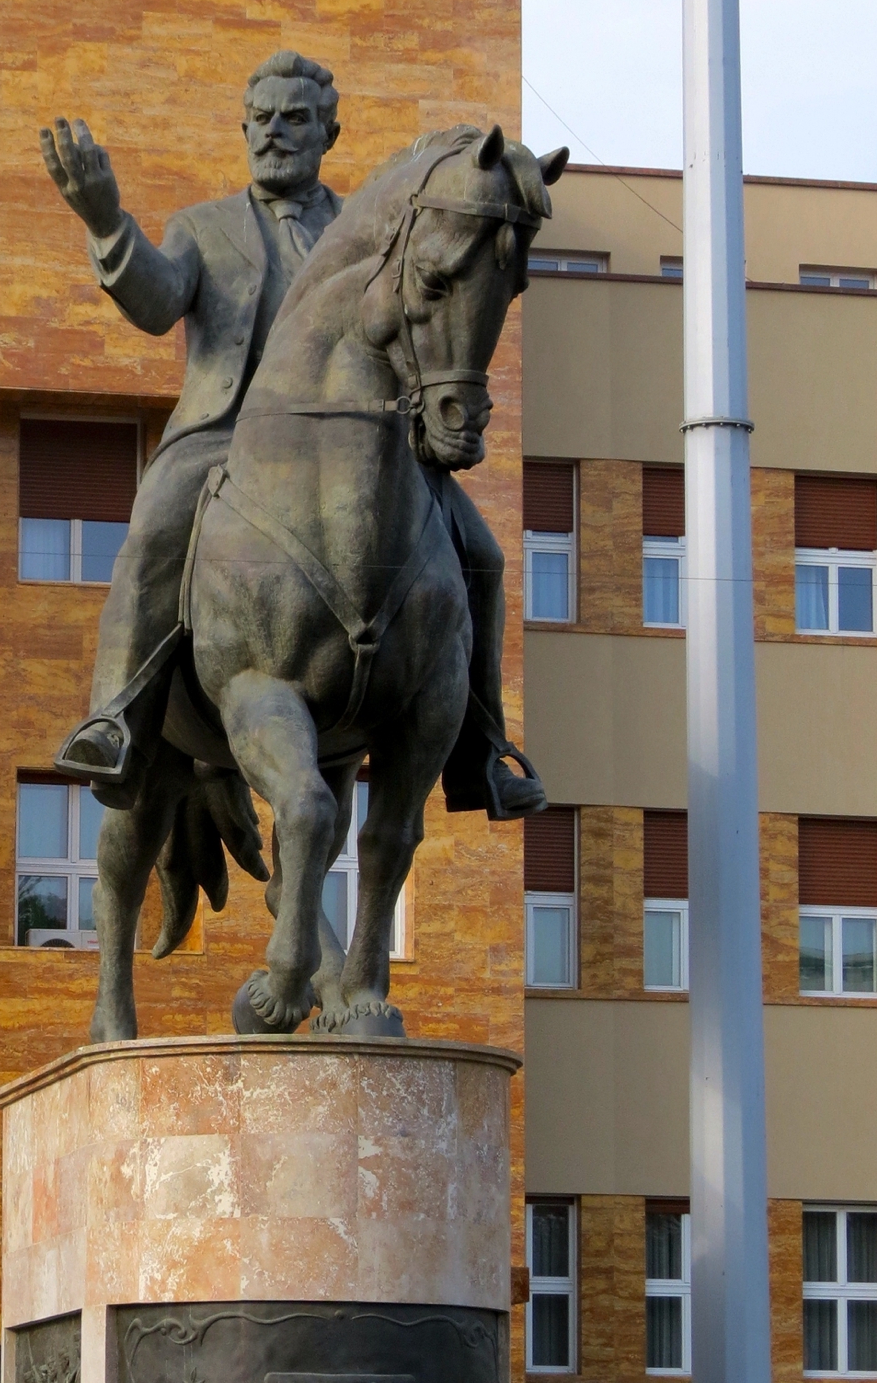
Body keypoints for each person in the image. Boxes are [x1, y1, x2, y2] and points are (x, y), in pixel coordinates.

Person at [39, 50, 543, 818]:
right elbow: (156, 300)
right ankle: (115, 716)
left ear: (329, 134)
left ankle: (481, 750)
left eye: (296, 119)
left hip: (364, 447)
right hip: (227, 438)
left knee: (481, 554)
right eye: (261, 118)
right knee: (155, 526)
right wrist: (107, 221)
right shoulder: (204, 228)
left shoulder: (372, 229)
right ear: (243, 128)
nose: (275, 133)